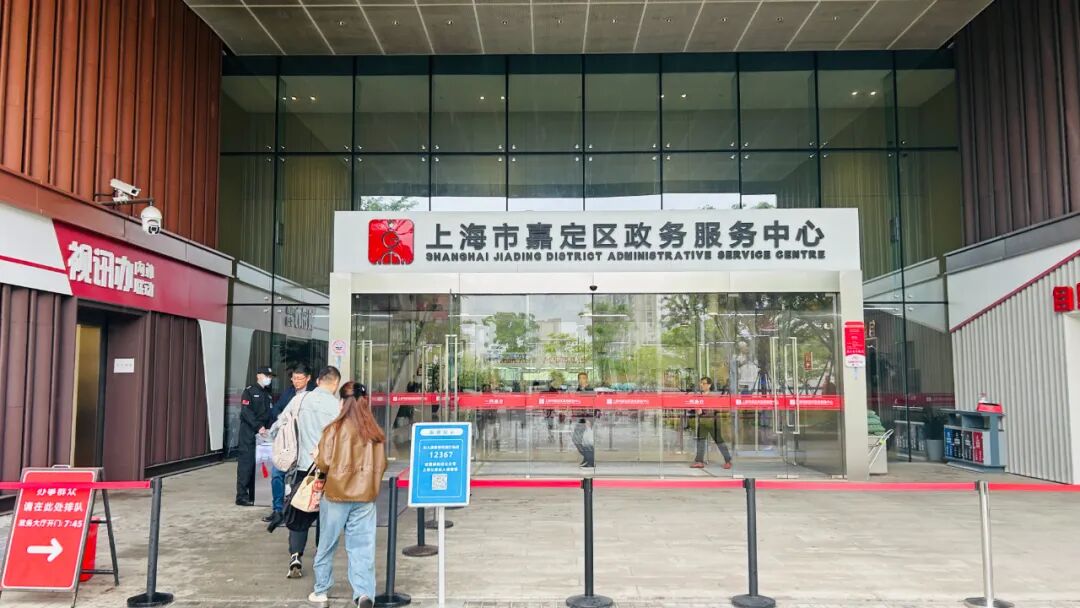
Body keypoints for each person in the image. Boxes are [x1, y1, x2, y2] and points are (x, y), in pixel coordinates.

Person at [307, 382, 387, 608]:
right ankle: (364, 594)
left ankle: (321, 592)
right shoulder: (375, 432)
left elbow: (324, 462)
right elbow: (381, 465)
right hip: (365, 497)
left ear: (342, 402)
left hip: (336, 495)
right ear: (364, 402)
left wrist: (316, 456)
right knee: (362, 547)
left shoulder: (333, 429)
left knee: (327, 543)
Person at [283, 366, 343, 580]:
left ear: (317, 381)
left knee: (299, 512)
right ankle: (321, 556)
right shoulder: (337, 407)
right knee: (325, 515)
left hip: (303, 468)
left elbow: (281, 424)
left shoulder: (299, 400)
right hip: (327, 469)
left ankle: (295, 556)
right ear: (335, 384)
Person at [264, 364, 314, 524]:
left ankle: (296, 512)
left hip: (306, 444)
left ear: (308, 378)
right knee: (277, 473)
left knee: (302, 479)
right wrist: (285, 418)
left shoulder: (313, 395)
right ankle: (277, 510)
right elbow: (276, 410)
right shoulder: (289, 392)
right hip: (289, 443)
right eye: (294, 378)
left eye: (300, 379)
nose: (296, 382)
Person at [236, 366, 274, 506]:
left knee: (259, 465)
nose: (269, 378)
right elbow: (246, 412)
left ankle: (254, 494)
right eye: (266, 375)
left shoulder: (267, 394)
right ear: (258, 375)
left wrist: (270, 428)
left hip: (263, 434)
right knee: (246, 464)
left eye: (270, 376)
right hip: (249, 433)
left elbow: (269, 414)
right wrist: (258, 426)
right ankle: (241, 496)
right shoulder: (249, 391)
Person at [690, 376, 733, 470]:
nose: (701, 385)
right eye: (701, 383)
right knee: (701, 441)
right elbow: (697, 410)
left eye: (704, 383)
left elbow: (719, 408)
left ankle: (728, 460)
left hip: (713, 422)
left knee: (719, 441)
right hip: (702, 421)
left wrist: (707, 407)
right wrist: (698, 408)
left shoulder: (713, 397)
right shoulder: (698, 396)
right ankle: (699, 461)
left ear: (709, 385)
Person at [570, 372, 594, 468]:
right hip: (580, 418)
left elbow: (591, 404)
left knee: (586, 440)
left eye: (583, 378)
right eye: (580, 378)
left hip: (587, 418)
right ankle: (588, 457)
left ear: (587, 379)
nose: (581, 380)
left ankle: (590, 460)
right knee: (576, 439)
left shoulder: (590, 390)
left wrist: (589, 420)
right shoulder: (578, 389)